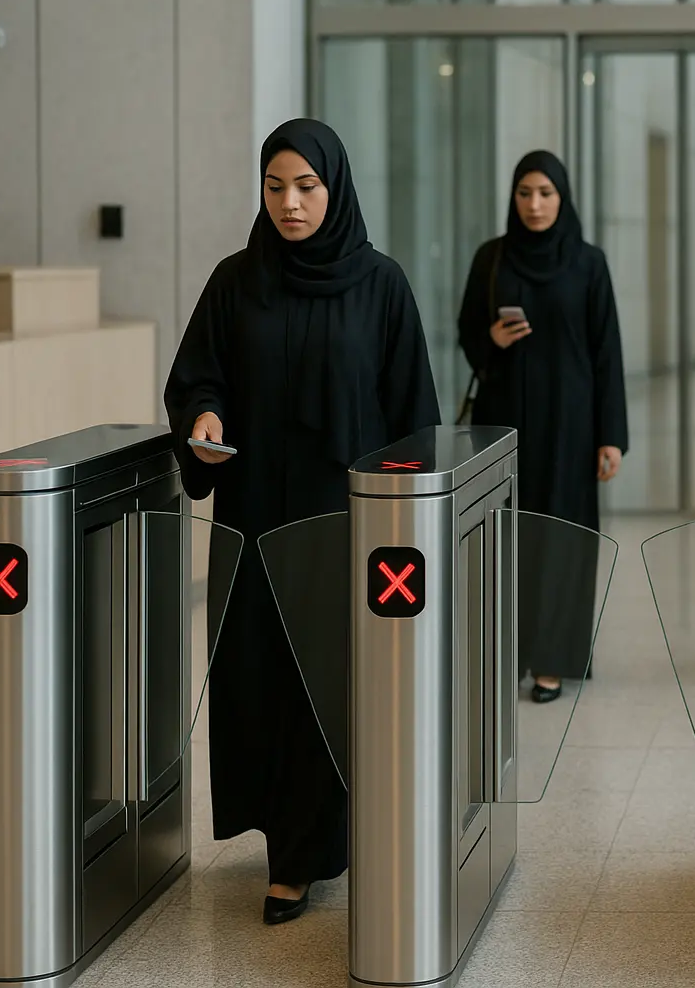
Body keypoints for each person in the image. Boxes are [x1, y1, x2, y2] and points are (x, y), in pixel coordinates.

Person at [165, 118, 441, 926]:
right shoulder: (234, 280)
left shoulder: (381, 285)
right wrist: (206, 420)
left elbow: (413, 412)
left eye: (307, 187)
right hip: (253, 522)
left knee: (335, 684)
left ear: (336, 187)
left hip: (346, 527)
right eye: (275, 185)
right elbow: (197, 377)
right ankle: (287, 847)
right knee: (262, 681)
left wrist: (404, 518)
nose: (290, 203)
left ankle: (318, 848)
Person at [457, 149, 627, 704]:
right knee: (506, 538)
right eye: (525, 193)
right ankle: (507, 652)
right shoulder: (493, 258)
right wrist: (493, 341)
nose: (534, 204)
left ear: (563, 197)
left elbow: (607, 352)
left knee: (561, 541)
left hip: (571, 427)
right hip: (504, 425)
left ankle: (553, 659)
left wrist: (611, 435)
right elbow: (467, 333)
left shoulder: (588, 262)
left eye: (545, 193)